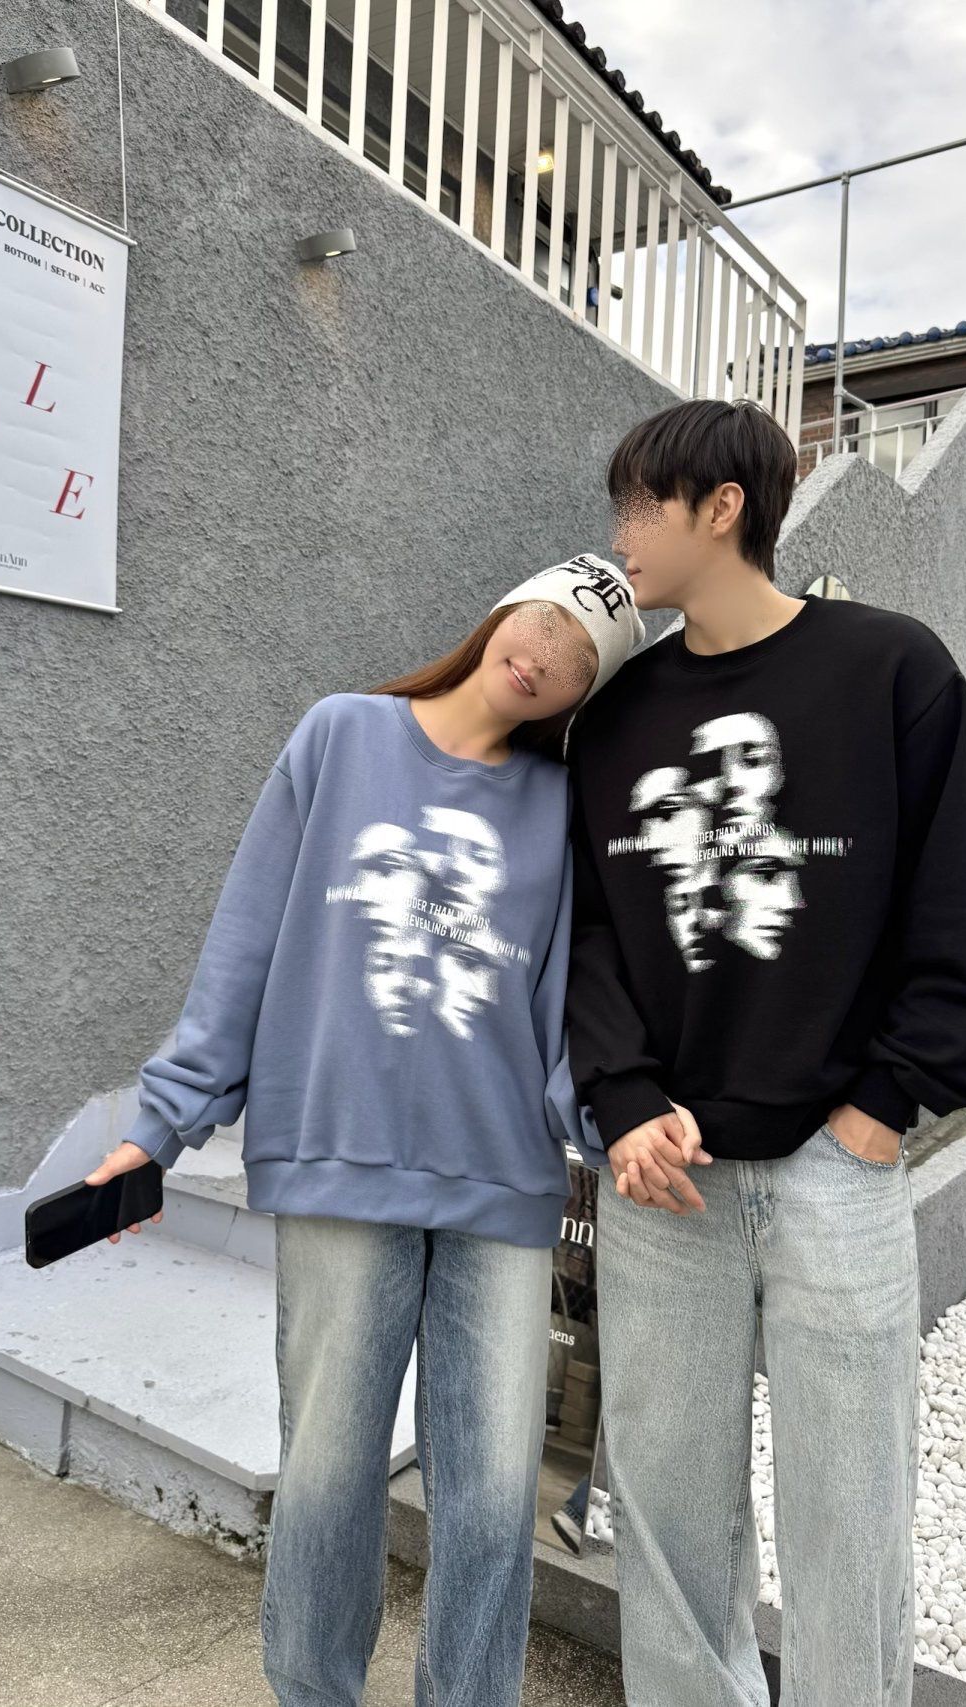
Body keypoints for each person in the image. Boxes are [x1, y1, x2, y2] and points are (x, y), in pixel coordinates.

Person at [83, 554, 645, 1707]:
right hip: (339, 1159)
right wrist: (163, 1124)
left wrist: (619, 1125)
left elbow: (567, 1009)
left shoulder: (558, 808)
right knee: (331, 1476)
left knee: (492, 1497)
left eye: (577, 662)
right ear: (501, 612)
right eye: (542, 624)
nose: (543, 659)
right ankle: (313, 1690)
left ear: (581, 698)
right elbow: (244, 944)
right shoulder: (339, 736)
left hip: (498, 1182)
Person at [560, 398, 966, 1707]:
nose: (619, 532)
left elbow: (959, 906)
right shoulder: (617, 716)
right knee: (666, 1514)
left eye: (640, 503)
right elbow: (591, 931)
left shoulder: (892, 671)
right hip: (665, 1175)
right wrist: (620, 1098)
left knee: (850, 1515)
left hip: (834, 1166)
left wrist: (882, 1106)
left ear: (721, 508)